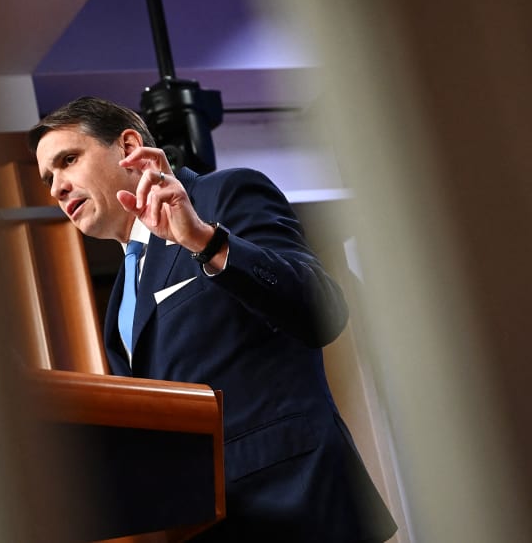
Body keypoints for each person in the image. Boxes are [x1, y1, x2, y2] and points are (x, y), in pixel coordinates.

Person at [28, 96, 396, 542]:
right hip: (203, 524)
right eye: (48, 178)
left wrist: (205, 241)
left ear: (128, 147)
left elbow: (320, 311)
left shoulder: (223, 195)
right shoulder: (122, 291)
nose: (56, 187)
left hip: (296, 506)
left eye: (68, 161)